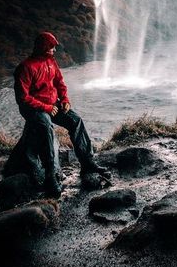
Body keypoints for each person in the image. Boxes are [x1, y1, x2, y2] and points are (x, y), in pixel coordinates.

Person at [13, 31, 111, 198]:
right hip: (34, 108)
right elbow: (23, 98)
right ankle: (52, 177)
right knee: (47, 129)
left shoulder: (51, 61)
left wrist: (65, 100)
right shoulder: (26, 67)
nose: (54, 50)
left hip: (53, 105)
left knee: (76, 120)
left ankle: (87, 163)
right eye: (51, 47)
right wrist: (45, 107)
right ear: (43, 47)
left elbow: (59, 82)